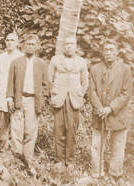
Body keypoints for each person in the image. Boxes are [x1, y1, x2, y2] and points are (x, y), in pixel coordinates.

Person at [87, 40, 132, 181]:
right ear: (102, 52)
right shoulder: (95, 69)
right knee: (96, 146)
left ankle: (114, 174)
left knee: (117, 146)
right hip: (99, 113)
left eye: (112, 49)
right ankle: (96, 173)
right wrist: (100, 108)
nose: (109, 52)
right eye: (106, 49)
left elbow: (126, 93)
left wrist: (110, 108)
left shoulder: (125, 69)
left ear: (117, 52)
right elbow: (91, 91)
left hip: (118, 114)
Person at [5, 34, 48, 171]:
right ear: (23, 46)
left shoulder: (41, 64)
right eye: (28, 44)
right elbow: (10, 82)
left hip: (33, 101)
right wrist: (10, 97)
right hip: (19, 99)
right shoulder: (16, 62)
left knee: (30, 131)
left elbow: (46, 85)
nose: (30, 46)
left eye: (33, 44)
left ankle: (27, 161)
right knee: (17, 131)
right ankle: (17, 161)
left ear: (37, 47)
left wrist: (42, 99)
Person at [48, 36, 89, 165]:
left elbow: (85, 82)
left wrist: (80, 93)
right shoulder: (55, 60)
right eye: (66, 44)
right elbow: (50, 79)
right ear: (63, 46)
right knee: (58, 129)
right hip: (59, 98)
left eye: (71, 44)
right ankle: (59, 160)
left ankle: (69, 161)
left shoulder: (81, 61)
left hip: (74, 100)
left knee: (71, 130)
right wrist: (54, 93)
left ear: (76, 46)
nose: (69, 46)